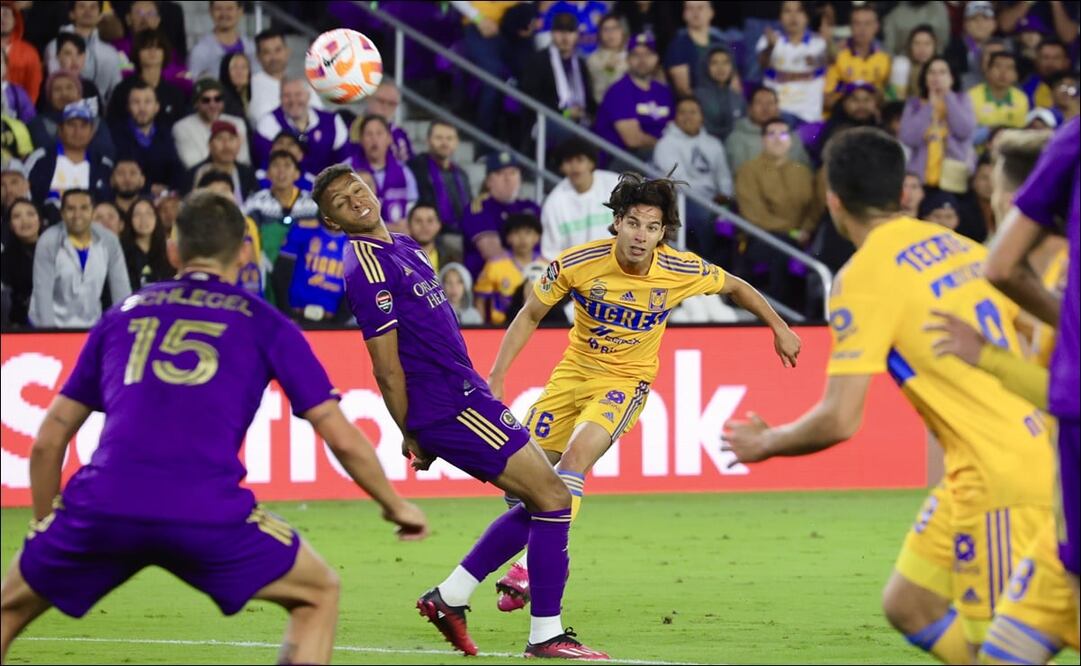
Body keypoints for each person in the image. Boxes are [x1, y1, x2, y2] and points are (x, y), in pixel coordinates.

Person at [0, 190, 428, 665]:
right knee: (319, 592)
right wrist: (394, 503)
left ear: (173, 249)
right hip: (206, 511)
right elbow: (339, 434)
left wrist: (44, 529)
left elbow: (48, 441)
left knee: (7, 612)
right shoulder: (267, 323)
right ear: (244, 252)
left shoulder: (122, 314)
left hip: (103, 506)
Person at [721, 126, 1055, 663]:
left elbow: (840, 419)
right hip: (999, 458)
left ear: (833, 200)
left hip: (1000, 475)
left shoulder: (862, 277)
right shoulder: (964, 247)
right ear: (904, 192)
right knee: (909, 603)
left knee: (1003, 652)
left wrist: (768, 443)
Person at [311, 164, 607, 659]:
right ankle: (544, 635)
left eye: (356, 189)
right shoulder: (364, 266)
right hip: (448, 404)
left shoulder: (402, 244)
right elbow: (385, 369)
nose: (355, 200)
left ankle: (449, 598)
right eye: (340, 202)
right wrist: (412, 431)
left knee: (544, 498)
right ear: (334, 223)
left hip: (465, 395)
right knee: (553, 497)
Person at [485, 170, 800, 611]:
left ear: (662, 233)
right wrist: (498, 375)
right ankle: (554, 554)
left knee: (576, 462)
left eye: (652, 228)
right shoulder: (577, 263)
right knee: (518, 486)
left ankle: (531, 566)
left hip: (625, 383)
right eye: (633, 223)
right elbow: (530, 314)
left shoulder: (678, 268)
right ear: (617, 222)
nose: (641, 235)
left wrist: (779, 326)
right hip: (572, 376)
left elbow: (735, 286)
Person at [917, 127, 1079, 665]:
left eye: (996, 203)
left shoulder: (1062, 280)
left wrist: (987, 357)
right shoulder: (1045, 285)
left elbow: (1064, 393)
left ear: (1014, 205)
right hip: (1058, 534)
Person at [983, 116, 1080, 618]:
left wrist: (983, 357)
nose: (995, 202)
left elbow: (1055, 385)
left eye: (999, 189)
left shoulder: (1058, 278)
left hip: (1042, 483)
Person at [734, 117, 819, 304]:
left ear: (790, 140)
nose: (777, 139)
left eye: (783, 133)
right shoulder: (748, 170)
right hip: (764, 237)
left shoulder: (803, 172)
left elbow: (813, 207)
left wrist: (806, 229)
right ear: (762, 140)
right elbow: (753, 214)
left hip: (802, 237)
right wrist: (793, 231)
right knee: (780, 253)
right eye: (771, 133)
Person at [29, 188, 131, 328]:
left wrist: (124, 327)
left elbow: (121, 288)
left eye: (84, 208)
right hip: (49, 323)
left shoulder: (109, 240)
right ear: (62, 213)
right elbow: (42, 293)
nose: (77, 215)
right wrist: (49, 334)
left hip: (91, 324)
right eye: (71, 209)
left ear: (92, 212)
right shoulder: (48, 240)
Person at [653, 96, 733, 260]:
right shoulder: (666, 144)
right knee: (703, 216)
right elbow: (680, 182)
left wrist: (726, 195)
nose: (688, 117)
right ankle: (707, 267)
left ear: (702, 116)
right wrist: (711, 200)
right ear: (676, 117)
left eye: (693, 112)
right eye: (683, 112)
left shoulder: (713, 143)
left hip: (715, 201)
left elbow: (723, 176)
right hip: (685, 201)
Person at [244, 150, 320, 301]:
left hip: (304, 266)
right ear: (268, 174)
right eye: (276, 166)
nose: (281, 171)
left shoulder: (312, 204)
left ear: (297, 174)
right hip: (265, 265)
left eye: (287, 166)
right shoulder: (255, 202)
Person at [593, 32, 674, 164]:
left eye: (648, 54)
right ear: (628, 60)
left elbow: (673, 128)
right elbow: (633, 140)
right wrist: (668, 147)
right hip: (621, 161)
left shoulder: (663, 91)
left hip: (656, 158)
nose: (642, 60)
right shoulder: (619, 91)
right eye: (636, 55)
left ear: (656, 58)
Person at [898, 57, 976, 193]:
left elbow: (964, 131)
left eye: (942, 72)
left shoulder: (962, 99)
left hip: (952, 178)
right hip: (920, 180)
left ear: (951, 77)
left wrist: (948, 97)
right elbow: (908, 138)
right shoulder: (914, 104)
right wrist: (929, 106)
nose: (936, 77)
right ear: (925, 77)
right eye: (931, 72)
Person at [520, 12, 594, 153]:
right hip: (546, 119)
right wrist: (566, 113)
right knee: (570, 133)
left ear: (577, 35)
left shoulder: (580, 63)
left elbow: (588, 98)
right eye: (560, 31)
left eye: (570, 32)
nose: (565, 37)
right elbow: (532, 97)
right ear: (552, 34)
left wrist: (588, 113)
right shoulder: (539, 60)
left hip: (579, 118)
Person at [25, 101, 114, 217]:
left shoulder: (103, 164)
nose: (77, 131)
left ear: (92, 132)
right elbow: (25, 193)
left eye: (83, 126)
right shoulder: (41, 158)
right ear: (60, 130)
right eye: (71, 125)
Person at [462, 152, 541, 279]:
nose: (508, 178)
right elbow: (494, 254)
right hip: (492, 286)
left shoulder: (531, 208)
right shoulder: (478, 209)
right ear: (488, 181)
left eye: (513, 173)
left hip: (534, 281)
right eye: (500, 173)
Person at [540, 138, 621, 259]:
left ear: (591, 163)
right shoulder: (554, 203)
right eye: (568, 161)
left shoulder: (615, 184)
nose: (575, 167)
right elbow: (551, 253)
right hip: (578, 272)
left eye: (580, 160)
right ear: (561, 167)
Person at [255, 77, 350, 177]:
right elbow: (264, 164)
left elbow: (344, 163)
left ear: (308, 96)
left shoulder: (332, 122)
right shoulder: (269, 122)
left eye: (298, 94)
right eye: (287, 95)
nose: (293, 100)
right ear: (280, 99)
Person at [273, 198, 349, 323]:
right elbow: (281, 274)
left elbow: (356, 290)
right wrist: (287, 313)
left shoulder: (355, 242)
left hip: (333, 321)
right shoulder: (303, 228)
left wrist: (337, 322)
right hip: (295, 316)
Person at [756, 1, 829, 124]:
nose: (793, 17)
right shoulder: (769, 41)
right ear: (780, 17)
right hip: (777, 115)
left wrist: (828, 44)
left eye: (799, 11)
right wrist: (770, 47)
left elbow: (827, 59)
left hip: (809, 117)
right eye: (787, 11)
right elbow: (763, 63)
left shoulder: (819, 43)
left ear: (807, 16)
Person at [347, 114, 418, 235]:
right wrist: (387, 227)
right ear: (361, 139)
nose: (374, 139)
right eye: (369, 134)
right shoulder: (347, 170)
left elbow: (412, 211)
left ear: (389, 138)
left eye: (379, 133)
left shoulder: (405, 173)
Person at [196, 169, 263, 298]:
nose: (222, 197)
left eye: (225, 191)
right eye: (214, 193)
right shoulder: (192, 227)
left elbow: (254, 266)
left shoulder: (248, 224)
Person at [110, 80, 183, 196]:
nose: (142, 108)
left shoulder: (165, 134)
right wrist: (149, 188)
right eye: (136, 102)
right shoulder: (115, 135)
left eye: (148, 102)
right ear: (128, 107)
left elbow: (176, 169)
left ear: (157, 107)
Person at [106, 27, 188, 129]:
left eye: (158, 47)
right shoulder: (123, 89)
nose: (152, 51)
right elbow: (113, 125)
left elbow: (181, 128)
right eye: (146, 47)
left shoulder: (174, 94)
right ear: (137, 53)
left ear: (164, 52)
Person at [43, 0, 124, 104]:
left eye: (93, 7)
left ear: (100, 15)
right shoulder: (54, 46)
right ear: (71, 14)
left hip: (98, 115)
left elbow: (116, 91)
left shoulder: (110, 53)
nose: (88, 11)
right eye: (82, 6)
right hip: (62, 109)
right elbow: (54, 82)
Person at [406, 120, 472, 243]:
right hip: (429, 237)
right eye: (439, 138)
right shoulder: (416, 168)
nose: (444, 143)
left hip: (461, 235)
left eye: (449, 138)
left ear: (456, 142)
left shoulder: (462, 175)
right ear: (428, 140)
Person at [475, 213, 544, 325]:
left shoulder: (547, 265)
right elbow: (480, 300)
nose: (522, 239)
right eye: (516, 233)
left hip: (542, 327)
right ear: (508, 238)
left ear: (537, 237)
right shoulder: (495, 265)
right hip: (502, 327)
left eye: (528, 233)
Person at [725, 87, 812, 175]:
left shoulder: (792, 137)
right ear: (749, 109)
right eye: (759, 103)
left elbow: (805, 171)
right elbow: (740, 175)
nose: (765, 108)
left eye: (770, 103)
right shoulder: (737, 139)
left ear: (778, 109)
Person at [173, 78, 251, 170]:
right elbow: (193, 163)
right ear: (196, 104)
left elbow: (243, 160)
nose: (212, 105)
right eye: (206, 100)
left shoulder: (237, 123)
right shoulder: (182, 128)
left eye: (217, 99)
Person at [824, 5, 891, 111]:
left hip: (873, 114)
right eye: (857, 23)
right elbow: (826, 99)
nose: (862, 29)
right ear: (850, 27)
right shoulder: (837, 57)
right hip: (842, 114)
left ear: (876, 27)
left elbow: (892, 96)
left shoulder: (886, 59)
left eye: (867, 24)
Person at [663, 1, 727, 99]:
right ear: (684, 14)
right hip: (695, 105)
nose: (695, 13)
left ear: (711, 12)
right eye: (690, 8)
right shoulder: (678, 45)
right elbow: (683, 89)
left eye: (700, 8)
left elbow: (734, 81)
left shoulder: (721, 43)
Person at [186, 120, 258, 203]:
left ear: (239, 144)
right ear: (210, 145)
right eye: (219, 138)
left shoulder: (247, 173)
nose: (226, 145)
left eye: (231, 138)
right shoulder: (195, 173)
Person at [968, 52, 1030, 143]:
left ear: (1016, 75)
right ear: (987, 71)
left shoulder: (1021, 99)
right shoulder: (971, 97)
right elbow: (967, 136)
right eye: (998, 67)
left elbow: (1021, 133)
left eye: (1009, 68)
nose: (1003, 72)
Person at [188, 0, 256, 81]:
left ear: (240, 11)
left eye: (229, 8)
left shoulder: (252, 48)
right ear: (210, 11)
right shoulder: (200, 51)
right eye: (218, 8)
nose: (224, 14)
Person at [0, 198, 41, 326]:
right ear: (11, 225)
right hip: (20, 325)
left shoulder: (59, 250)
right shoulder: (5, 259)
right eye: (17, 216)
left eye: (30, 214)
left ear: (39, 219)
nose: (25, 220)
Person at [944, 1, 999, 93]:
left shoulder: (1003, 46)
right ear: (965, 24)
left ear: (994, 24)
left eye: (985, 18)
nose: (980, 23)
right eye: (974, 19)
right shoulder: (952, 48)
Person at [353, 80, 412, 164]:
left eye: (391, 103)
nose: (385, 107)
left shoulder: (400, 134)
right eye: (381, 101)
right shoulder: (352, 126)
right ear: (369, 98)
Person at [695, 45, 746, 142]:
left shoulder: (737, 97)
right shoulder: (697, 97)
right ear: (706, 66)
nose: (721, 68)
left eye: (726, 62)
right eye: (714, 63)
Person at [120, 196, 171, 289]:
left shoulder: (167, 252)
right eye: (137, 214)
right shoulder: (121, 253)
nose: (143, 219)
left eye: (148, 213)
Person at [0, 1, 43, 107]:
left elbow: (33, 90)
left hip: (17, 114)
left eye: (6, 14)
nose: (2, 18)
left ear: (16, 20)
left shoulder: (30, 52)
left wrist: (24, 113)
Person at [585, 13, 628, 106]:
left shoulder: (633, 55)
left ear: (622, 31)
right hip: (608, 109)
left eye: (615, 28)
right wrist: (609, 70)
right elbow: (599, 95)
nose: (611, 34)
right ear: (599, 34)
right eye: (606, 30)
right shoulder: (594, 60)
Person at [888, 24, 938, 102]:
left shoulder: (943, 67)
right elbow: (891, 99)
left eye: (927, 44)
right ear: (910, 46)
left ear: (934, 46)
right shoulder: (901, 66)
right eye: (917, 43)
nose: (922, 49)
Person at [1021, 38, 1072, 109]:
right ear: (1037, 61)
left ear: (1066, 62)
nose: (1050, 63)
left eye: (1056, 58)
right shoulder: (1025, 88)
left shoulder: (1076, 86)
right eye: (1045, 58)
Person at [439, 261, 483, 326]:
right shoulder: (436, 315)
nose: (454, 287)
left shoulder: (474, 316)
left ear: (465, 286)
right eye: (449, 282)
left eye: (459, 282)